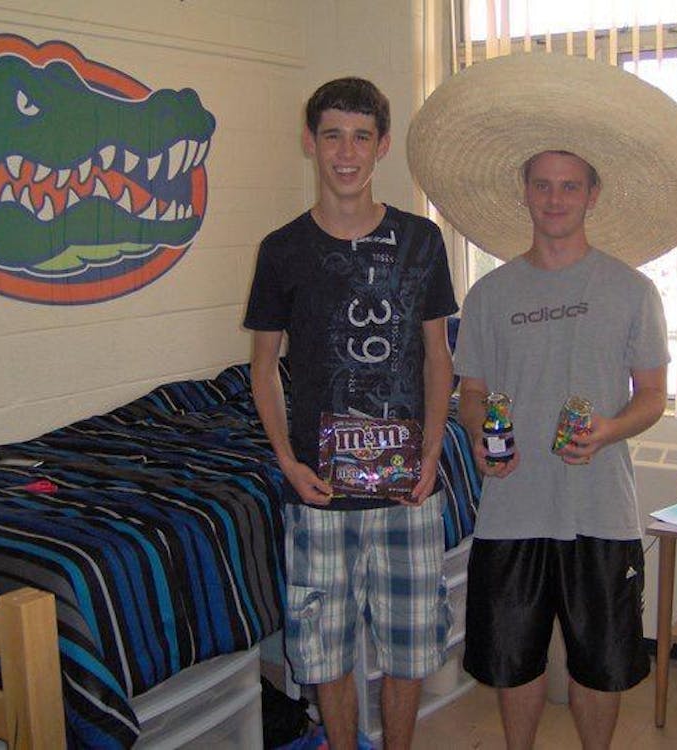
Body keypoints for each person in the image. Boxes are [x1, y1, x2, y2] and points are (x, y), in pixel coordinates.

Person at [406, 53, 677, 749]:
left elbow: (654, 396)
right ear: (524, 191)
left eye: (569, 186)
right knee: (512, 661)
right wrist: (481, 431)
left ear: (592, 195)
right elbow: (471, 391)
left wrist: (608, 429)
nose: (555, 199)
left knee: (600, 665)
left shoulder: (632, 291)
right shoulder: (490, 295)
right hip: (511, 510)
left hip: (600, 511)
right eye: (543, 185)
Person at [244, 77, 458, 750]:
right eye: (332, 135)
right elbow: (262, 367)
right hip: (319, 491)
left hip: (406, 490)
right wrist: (286, 460)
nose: (346, 152)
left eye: (361, 137)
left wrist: (431, 453)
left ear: (382, 145)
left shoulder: (421, 240)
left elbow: (438, 357)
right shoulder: (281, 249)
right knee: (324, 652)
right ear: (310, 142)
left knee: (409, 649)